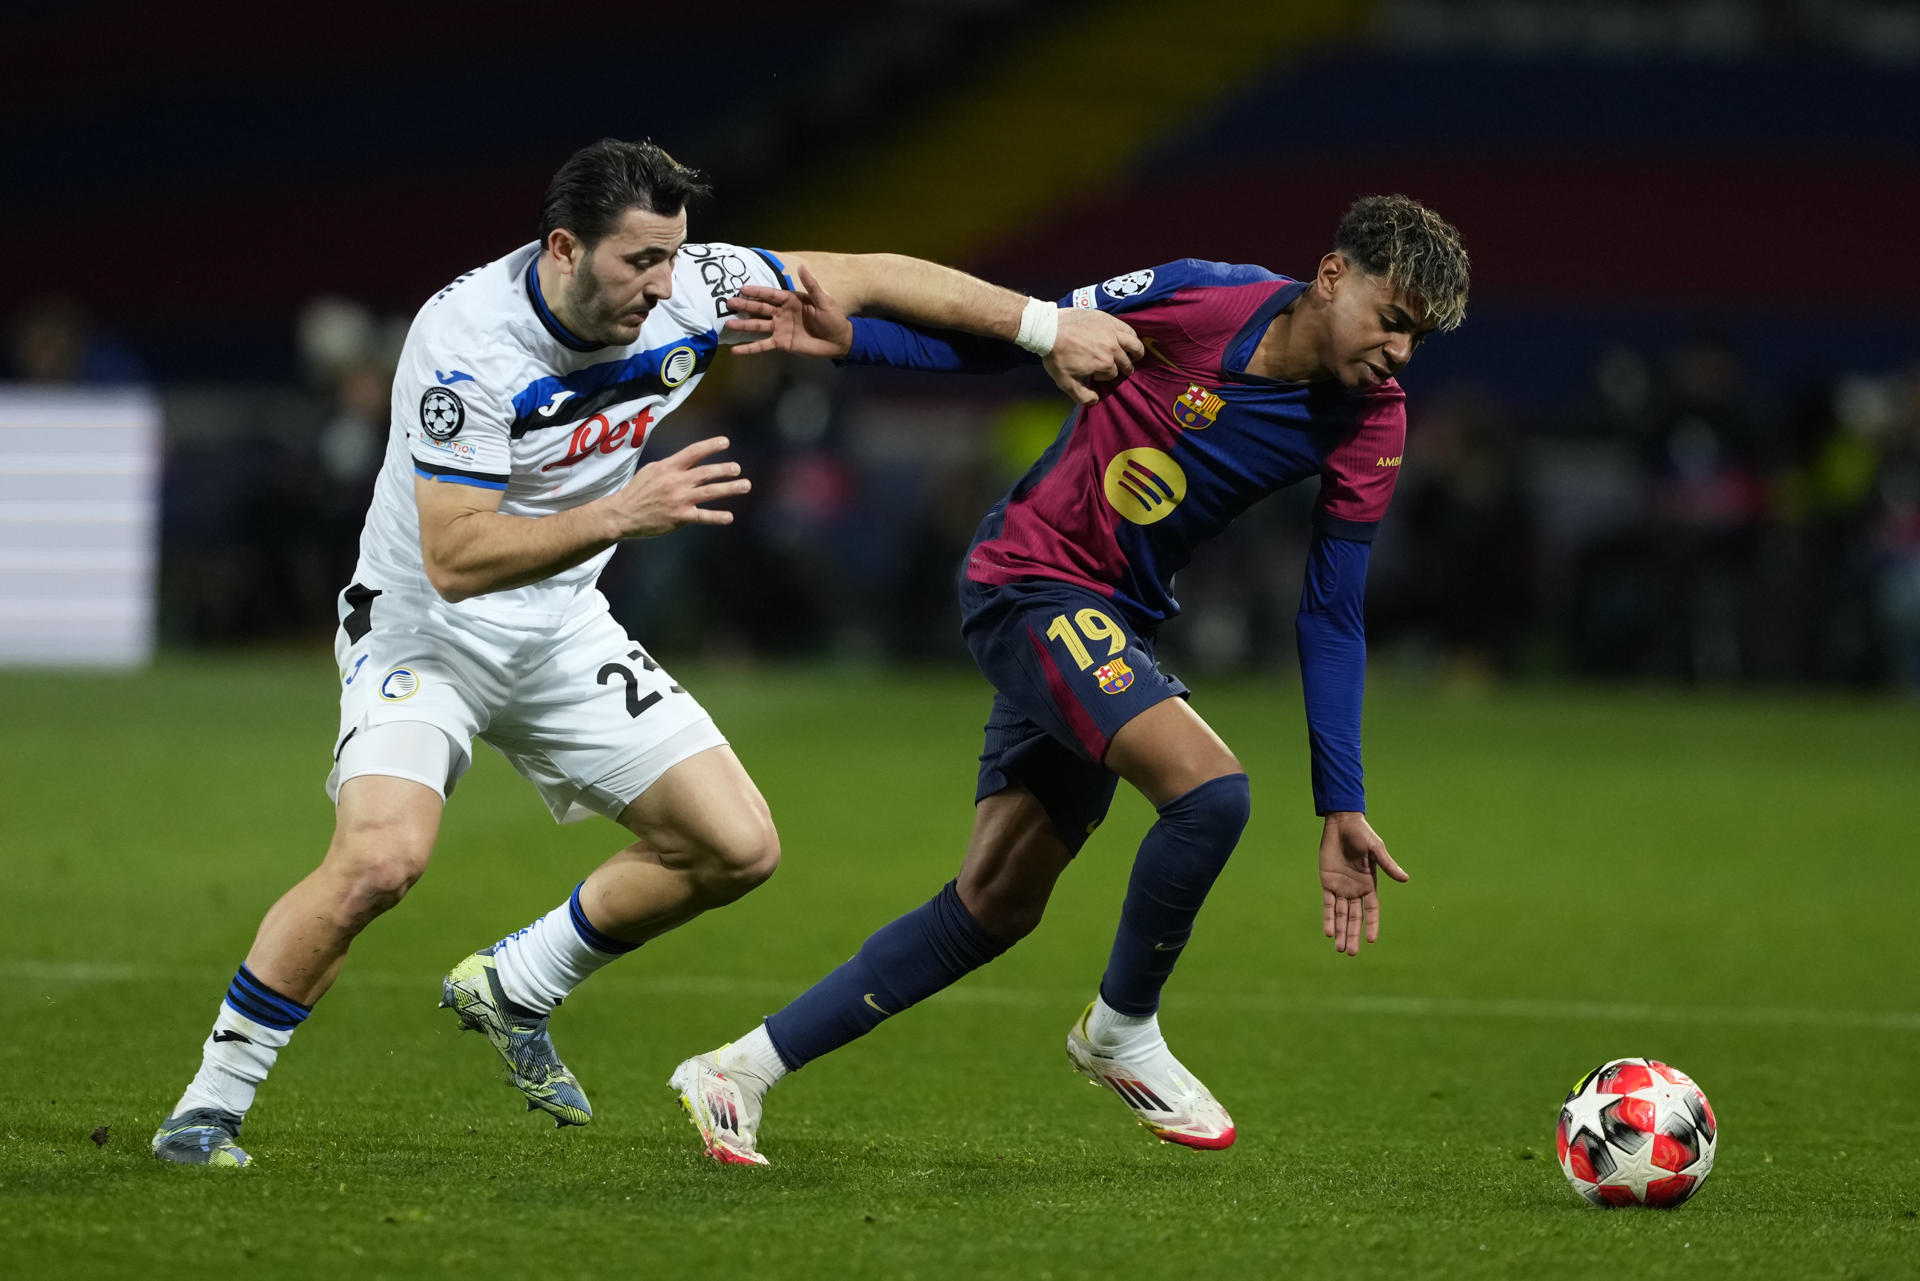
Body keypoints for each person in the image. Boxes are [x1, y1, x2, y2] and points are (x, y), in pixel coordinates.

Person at [150, 137, 1142, 1167]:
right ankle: (210, 1104)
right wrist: (625, 508)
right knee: (379, 863)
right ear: (564, 249)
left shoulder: (690, 289)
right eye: (640, 262)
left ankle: (516, 984)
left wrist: (1044, 327)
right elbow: (454, 556)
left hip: (561, 626)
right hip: (427, 632)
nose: (664, 286)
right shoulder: (466, 344)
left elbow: (875, 276)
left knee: (737, 846)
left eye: (674, 256)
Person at [670, 194, 1470, 1164]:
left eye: (1419, 338)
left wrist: (1341, 802)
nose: (1400, 354)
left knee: (995, 903)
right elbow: (1018, 339)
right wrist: (855, 344)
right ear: (1334, 276)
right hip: (1030, 583)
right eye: (1393, 321)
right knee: (1210, 794)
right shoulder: (1197, 300)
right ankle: (1121, 1027)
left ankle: (736, 1069)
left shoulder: (1371, 420)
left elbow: (1333, 611)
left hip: (1108, 624)